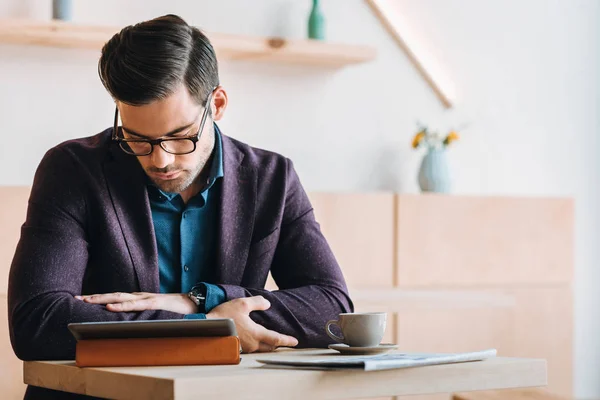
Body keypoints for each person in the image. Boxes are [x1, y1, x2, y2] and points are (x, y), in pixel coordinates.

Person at [8, 14, 353, 399]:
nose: (161, 160)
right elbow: (36, 323)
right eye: (137, 139)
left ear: (217, 104)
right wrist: (204, 322)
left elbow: (333, 308)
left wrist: (198, 298)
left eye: (180, 137)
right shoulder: (72, 170)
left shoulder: (272, 178)